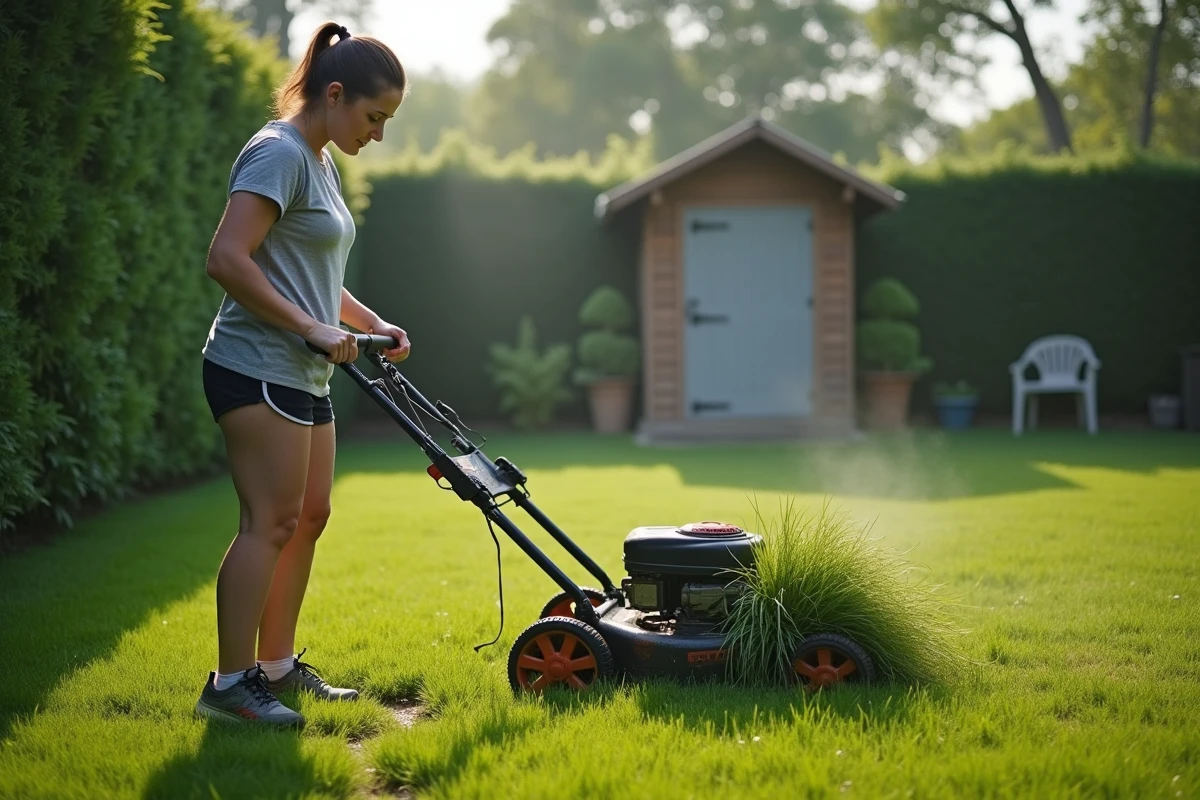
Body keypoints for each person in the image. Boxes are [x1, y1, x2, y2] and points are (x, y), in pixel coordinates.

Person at [194, 21, 410, 728]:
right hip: (255, 366)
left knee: (309, 517)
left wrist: (371, 324)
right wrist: (314, 329)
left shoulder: (320, 162)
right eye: (373, 117)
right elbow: (227, 258)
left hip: (303, 371)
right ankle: (229, 685)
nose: (377, 134)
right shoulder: (278, 151)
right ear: (336, 93)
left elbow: (318, 274)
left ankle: (278, 666)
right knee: (271, 520)